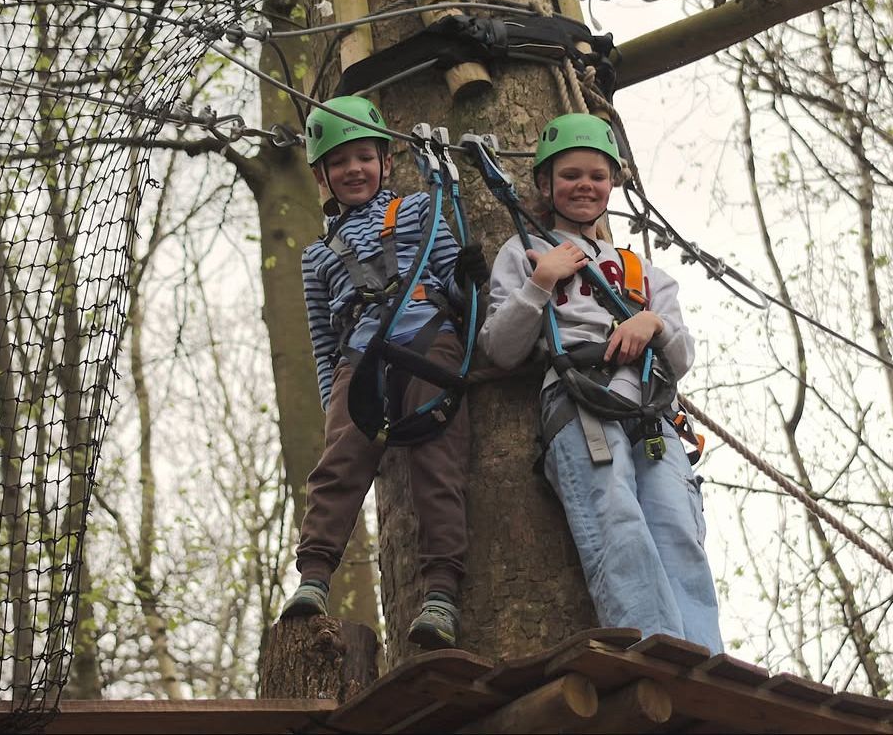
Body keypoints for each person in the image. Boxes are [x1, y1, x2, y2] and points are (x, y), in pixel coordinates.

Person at [477, 113, 723, 653]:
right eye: (570, 175)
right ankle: (658, 650)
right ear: (545, 185)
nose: (585, 186)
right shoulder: (525, 254)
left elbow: (680, 357)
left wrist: (652, 323)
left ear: (613, 183)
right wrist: (541, 282)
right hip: (580, 401)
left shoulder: (642, 273)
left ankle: (705, 660)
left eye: (597, 175)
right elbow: (500, 346)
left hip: (650, 409)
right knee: (617, 521)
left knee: (678, 531)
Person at [280, 96, 488, 651]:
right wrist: (335, 404)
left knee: (438, 462)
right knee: (339, 463)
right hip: (362, 355)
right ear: (323, 175)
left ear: (386, 162)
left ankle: (440, 592)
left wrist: (471, 281)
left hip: (428, 340)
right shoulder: (317, 256)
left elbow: (454, 286)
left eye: (365, 158)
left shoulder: (421, 210)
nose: (354, 170)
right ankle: (315, 577)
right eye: (340, 162)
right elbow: (325, 343)